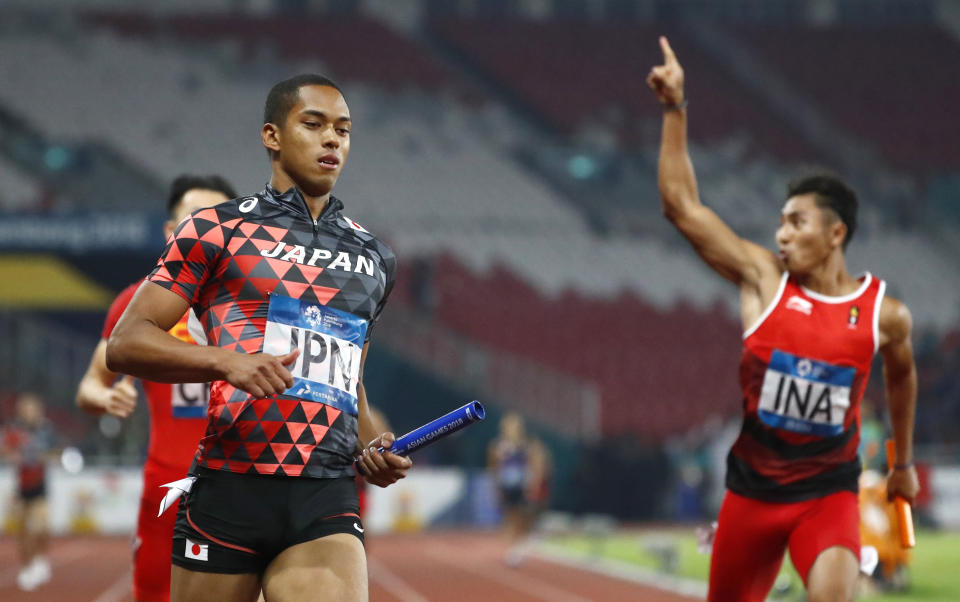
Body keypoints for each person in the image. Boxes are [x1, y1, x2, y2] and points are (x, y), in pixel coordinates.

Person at [105, 74, 411, 602]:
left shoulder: (374, 258)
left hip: (325, 495)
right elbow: (126, 343)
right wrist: (226, 361)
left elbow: (347, 384)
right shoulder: (215, 230)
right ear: (272, 136)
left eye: (343, 129)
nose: (331, 139)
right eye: (312, 124)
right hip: (230, 486)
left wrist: (374, 445)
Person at [647, 37, 919, 602]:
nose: (781, 234)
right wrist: (676, 110)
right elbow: (682, 207)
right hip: (752, 494)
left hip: (829, 493)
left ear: (835, 233)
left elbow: (901, 375)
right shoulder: (763, 280)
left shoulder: (884, 316)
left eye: (797, 222)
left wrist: (902, 462)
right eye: (780, 222)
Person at [75, 174, 238, 602]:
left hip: (243, 485)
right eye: (195, 220)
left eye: (219, 222)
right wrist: (105, 397)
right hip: (167, 486)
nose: (208, 232)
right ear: (171, 232)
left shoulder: (257, 305)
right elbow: (90, 386)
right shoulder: (137, 307)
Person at [2, 393, 56, 591]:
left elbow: (55, 451)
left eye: (31, 408)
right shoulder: (14, 429)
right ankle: (28, 565)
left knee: (41, 527)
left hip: (40, 485)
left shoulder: (46, 429)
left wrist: (41, 457)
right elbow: (5, 449)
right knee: (23, 531)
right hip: (21, 486)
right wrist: (11, 453)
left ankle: (40, 558)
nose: (27, 412)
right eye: (24, 409)